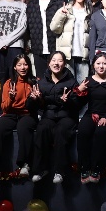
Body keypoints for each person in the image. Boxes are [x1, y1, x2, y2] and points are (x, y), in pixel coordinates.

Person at [0, 52, 40, 179]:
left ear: (29, 66)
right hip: (10, 114)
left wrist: (37, 99)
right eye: (19, 65)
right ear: (15, 67)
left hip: (27, 114)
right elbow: (4, 107)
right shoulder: (8, 83)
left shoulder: (35, 82)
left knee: (24, 128)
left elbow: (40, 106)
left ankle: (25, 165)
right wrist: (11, 98)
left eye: (25, 64)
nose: (23, 67)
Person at [74, 51, 106, 183]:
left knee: (100, 133)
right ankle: (84, 168)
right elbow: (80, 103)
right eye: (98, 63)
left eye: (104, 63)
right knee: (83, 132)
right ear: (93, 65)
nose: (101, 66)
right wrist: (79, 90)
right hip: (91, 114)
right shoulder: (88, 81)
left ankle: (96, 168)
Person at [33, 51, 80, 184]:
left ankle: (60, 171)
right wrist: (38, 99)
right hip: (49, 116)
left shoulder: (72, 82)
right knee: (41, 129)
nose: (56, 63)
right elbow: (40, 106)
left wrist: (68, 101)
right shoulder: (42, 82)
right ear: (49, 63)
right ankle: (40, 170)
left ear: (64, 64)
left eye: (60, 61)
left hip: (67, 116)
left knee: (61, 131)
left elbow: (78, 104)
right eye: (53, 60)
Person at [50, 0, 91, 83]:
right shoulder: (66, 9)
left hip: (83, 54)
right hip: (67, 55)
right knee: (67, 84)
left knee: (83, 85)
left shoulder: (89, 11)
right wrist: (62, 15)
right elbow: (54, 28)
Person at [25, 0, 62, 82]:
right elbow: (28, 26)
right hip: (37, 48)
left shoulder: (59, 2)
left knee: (56, 79)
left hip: (55, 46)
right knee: (41, 79)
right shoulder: (32, 4)